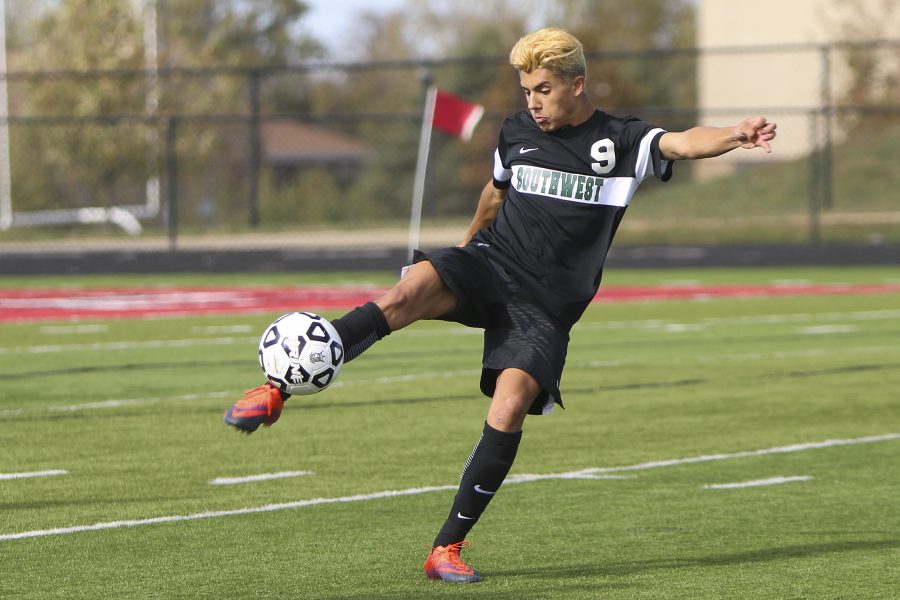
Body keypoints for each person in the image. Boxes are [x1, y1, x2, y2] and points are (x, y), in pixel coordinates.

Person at [224, 27, 777, 583]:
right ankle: (275, 388)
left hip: (546, 304)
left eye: (543, 89)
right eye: (526, 91)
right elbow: (494, 193)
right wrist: (459, 253)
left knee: (510, 406)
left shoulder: (622, 140)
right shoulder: (516, 132)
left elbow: (682, 142)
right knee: (408, 290)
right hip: (491, 263)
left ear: (576, 84)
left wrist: (734, 134)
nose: (532, 103)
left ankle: (445, 549)